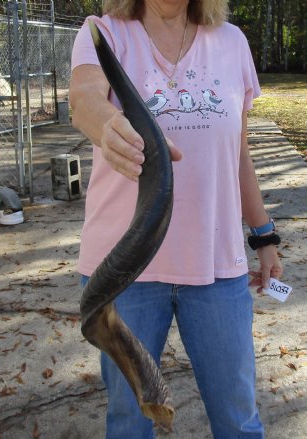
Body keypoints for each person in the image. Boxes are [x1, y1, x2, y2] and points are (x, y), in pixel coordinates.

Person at [69, 1, 283, 438]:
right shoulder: (103, 33)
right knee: (130, 421)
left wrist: (264, 235)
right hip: (124, 272)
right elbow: (83, 99)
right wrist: (108, 126)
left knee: (238, 419)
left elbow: (237, 154)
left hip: (216, 266)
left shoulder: (232, 42)